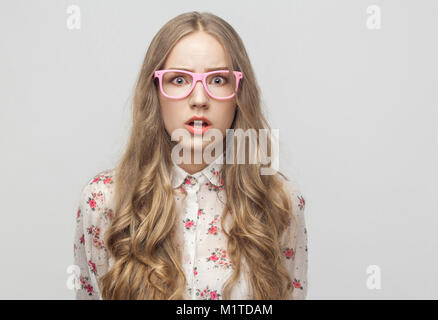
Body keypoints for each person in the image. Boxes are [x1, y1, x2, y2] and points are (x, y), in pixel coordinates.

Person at [73, 11, 308, 300]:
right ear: (155, 92)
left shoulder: (280, 202)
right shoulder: (104, 200)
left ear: (239, 94)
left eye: (218, 80)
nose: (199, 99)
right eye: (180, 80)